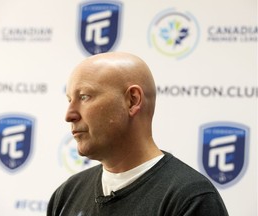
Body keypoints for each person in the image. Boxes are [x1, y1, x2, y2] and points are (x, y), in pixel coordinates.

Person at [47, 52, 229, 216]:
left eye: (85, 97)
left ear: (132, 101)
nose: (69, 115)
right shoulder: (67, 194)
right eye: (70, 100)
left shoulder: (190, 199)